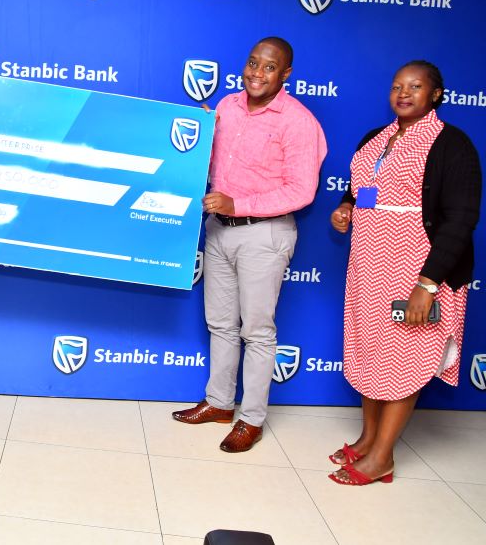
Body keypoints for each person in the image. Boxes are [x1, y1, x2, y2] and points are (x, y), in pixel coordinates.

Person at [327, 61, 481, 485]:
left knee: (403, 358)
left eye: (415, 86)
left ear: (435, 93)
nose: (403, 93)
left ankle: (382, 458)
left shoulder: (453, 144)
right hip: (368, 270)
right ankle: (367, 440)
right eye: (396, 86)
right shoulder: (375, 139)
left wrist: (427, 285)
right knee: (371, 351)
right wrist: (346, 207)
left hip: (415, 273)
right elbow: (361, 190)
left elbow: (460, 218)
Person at [172, 37, 327, 453]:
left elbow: (302, 191)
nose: (257, 73)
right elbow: (213, 163)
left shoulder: (298, 122)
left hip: (264, 233)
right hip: (219, 228)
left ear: (286, 74)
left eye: (269, 67)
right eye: (253, 63)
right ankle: (221, 403)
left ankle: (251, 419)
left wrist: (239, 203)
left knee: (257, 331)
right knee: (221, 323)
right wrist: (200, 137)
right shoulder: (226, 106)